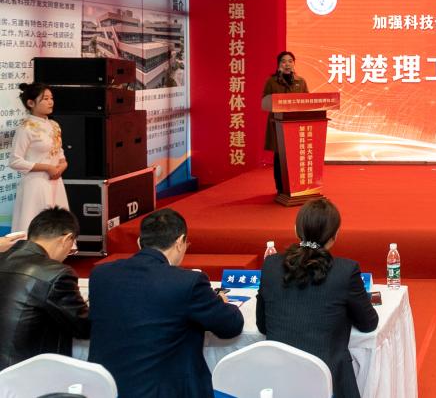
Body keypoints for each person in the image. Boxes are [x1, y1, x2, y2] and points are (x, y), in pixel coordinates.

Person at [87, 208, 243, 398]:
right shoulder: (187, 282)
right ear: (180, 242)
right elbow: (231, 326)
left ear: (139, 242)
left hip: (104, 390)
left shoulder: (101, 275)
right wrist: (220, 302)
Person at [257, 198, 378, 398]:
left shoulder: (270, 265)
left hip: (278, 381)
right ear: (335, 235)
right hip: (329, 382)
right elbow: (368, 323)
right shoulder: (345, 271)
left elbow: (263, 326)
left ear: (296, 229)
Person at [0, 208, 89, 369]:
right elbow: (83, 327)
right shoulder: (55, 273)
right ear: (67, 239)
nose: (67, 254)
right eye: (71, 247)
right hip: (24, 372)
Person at [9, 83, 69, 233]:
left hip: (55, 181)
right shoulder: (26, 128)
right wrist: (47, 168)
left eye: (51, 98)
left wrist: (62, 166)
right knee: (35, 223)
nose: (50, 102)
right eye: (45, 99)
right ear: (31, 103)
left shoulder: (54, 125)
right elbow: (15, 161)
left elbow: (59, 153)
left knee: (57, 225)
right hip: (35, 184)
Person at [262, 51, 309, 195]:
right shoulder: (272, 81)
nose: (287, 64)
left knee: (296, 156)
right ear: (278, 64)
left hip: (295, 125)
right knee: (280, 158)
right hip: (278, 125)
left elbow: (307, 101)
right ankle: (281, 188)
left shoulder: (301, 82)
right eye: (283, 61)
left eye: (290, 61)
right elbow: (265, 102)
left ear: (294, 64)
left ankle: (295, 186)